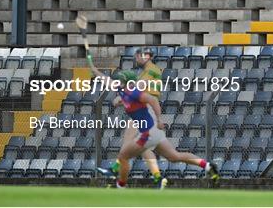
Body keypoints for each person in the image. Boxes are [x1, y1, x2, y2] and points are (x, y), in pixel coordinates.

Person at [89, 64, 220, 189]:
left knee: (123, 156)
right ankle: (208, 166)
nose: (118, 82)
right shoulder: (122, 90)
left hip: (148, 133)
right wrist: (95, 71)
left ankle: (119, 185)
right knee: (174, 157)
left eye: (121, 81)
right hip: (153, 133)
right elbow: (108, 81)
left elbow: (153, 100)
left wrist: (159, 119)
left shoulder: (134, 93)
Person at [98, 47, 166, 188]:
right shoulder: (147, 71)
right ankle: (158, 178)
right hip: (141, 107)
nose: (136, 59)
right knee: (143, 148)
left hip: (144, 108)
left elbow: (139, 87)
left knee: (129, 141)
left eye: (138, 56)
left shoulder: (151, 69)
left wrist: (120, 96)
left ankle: (116, 172)